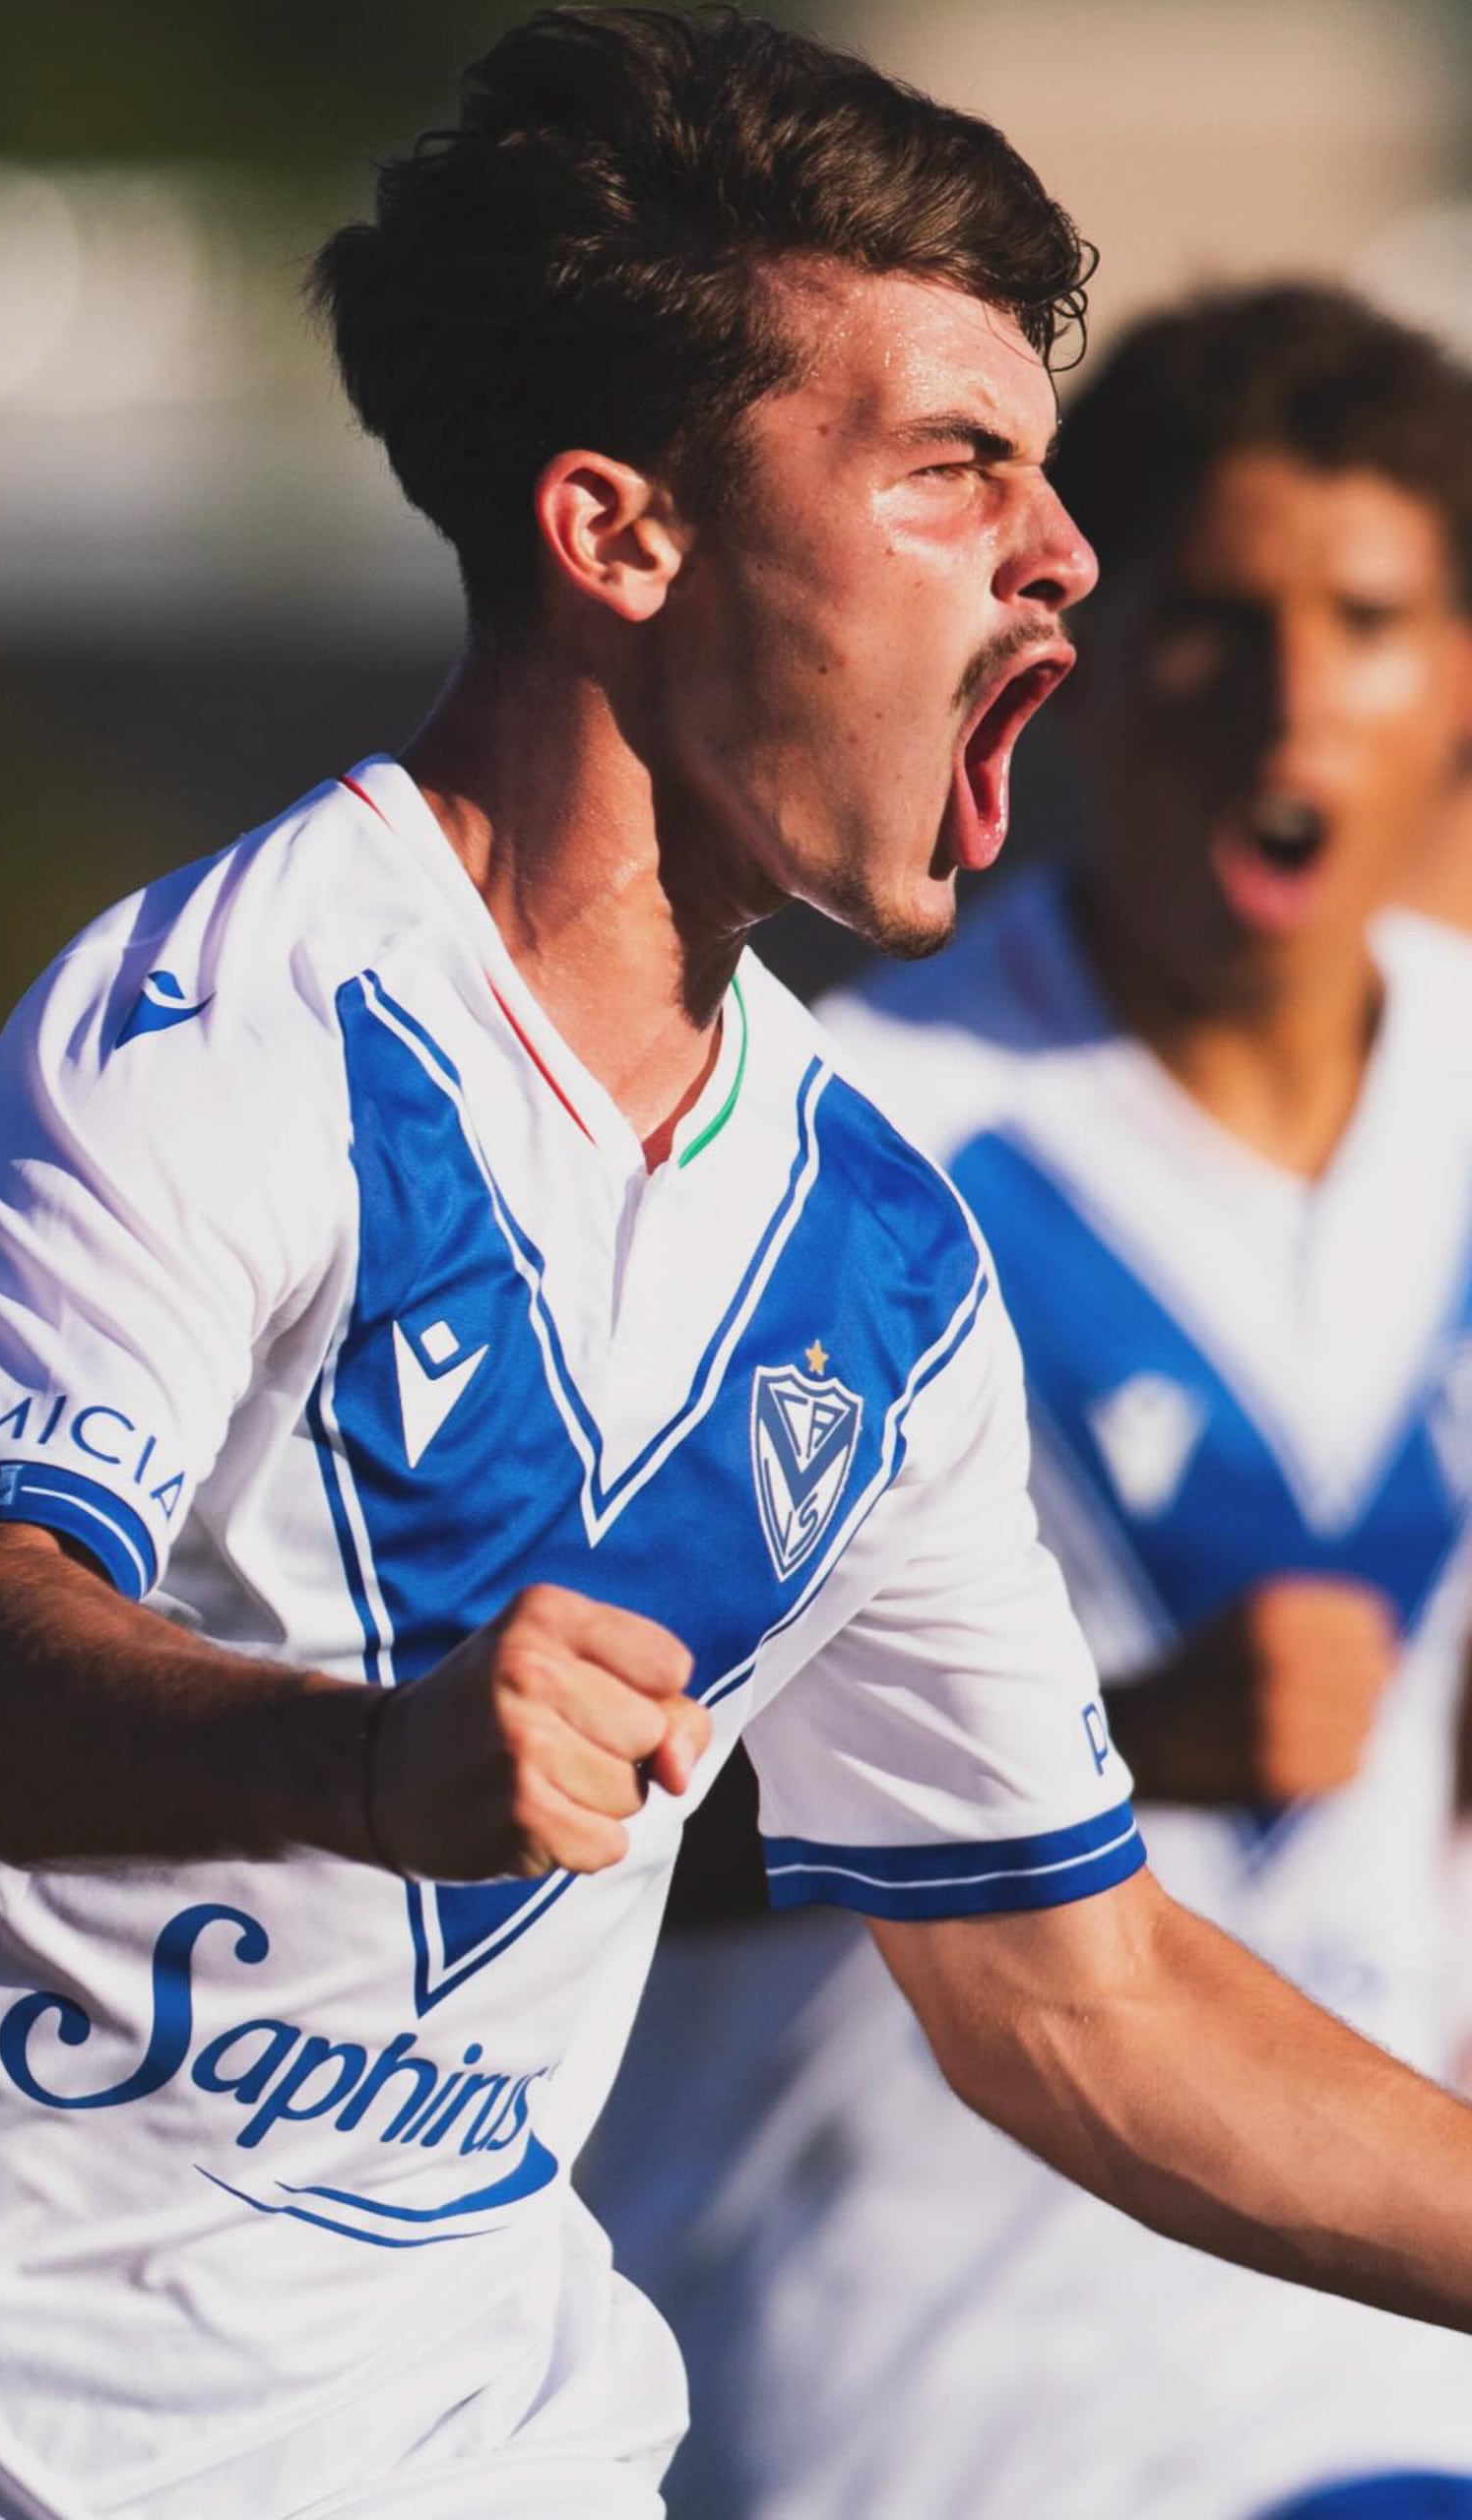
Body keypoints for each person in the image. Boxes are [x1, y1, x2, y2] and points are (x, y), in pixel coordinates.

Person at [0, 9, 1472, 2504]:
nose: (1066, 559)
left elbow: (1083, 1992)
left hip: (481, 2441)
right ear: (622, 532)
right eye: (951, 469)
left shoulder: (876, 1248)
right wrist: (364, 1759)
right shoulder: (217, 1030)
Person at [583, 282, 1472, 2520]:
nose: (1290, 693)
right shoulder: (842, 1140)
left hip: (1369, 2364)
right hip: (904, 2381)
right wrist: (1125, 1741)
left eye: (1366, 617)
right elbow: (562, 1809)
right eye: (1213, 616)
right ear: (1076, 664)